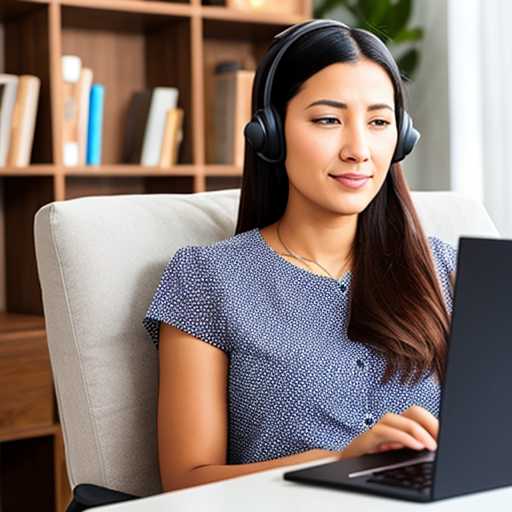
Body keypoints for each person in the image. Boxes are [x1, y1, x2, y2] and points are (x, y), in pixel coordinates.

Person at [144, 19, 456, 493]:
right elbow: (186, 482)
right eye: (328, 120)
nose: (359, 150)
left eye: (379, 122)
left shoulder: (444, 270)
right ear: (270, 132)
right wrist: (338, 461)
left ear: (402, 138)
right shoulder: (206, 280)